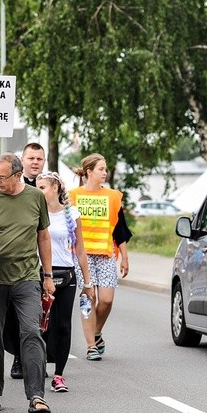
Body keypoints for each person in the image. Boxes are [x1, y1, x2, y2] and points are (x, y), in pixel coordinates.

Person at [0, 153, 55, 413]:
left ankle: (36, 396)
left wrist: (48, 276)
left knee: (31, 332)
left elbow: (43, 236)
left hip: (27, 276)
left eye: (1, 176)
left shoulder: (35, 197)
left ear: (18, 175)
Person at [69, 153, 133, 360]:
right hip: (81, 256)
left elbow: (120, 230)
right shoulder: (72, 196)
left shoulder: (113, 197)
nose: (105, 173)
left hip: (105, 255)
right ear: (89, 172)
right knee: (89, 297)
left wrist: (124, 257)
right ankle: (90, 346)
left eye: (105, 169)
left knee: (106, 300)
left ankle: (96, 333)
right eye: (101, 169)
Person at [35, 172, 95, 392]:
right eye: (37, 186)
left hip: (66, 274)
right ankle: (38, 366)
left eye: (42, 187)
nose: (38, 190)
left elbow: (80, 250)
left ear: (55, 189)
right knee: (41, 325)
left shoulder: (72, 213)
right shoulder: (35, 212)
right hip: (40, 274)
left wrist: (88, 283)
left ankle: (59, 375)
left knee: (62, 325)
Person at [9, 142, 46, 379]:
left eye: (39, 159)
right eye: (31, 158)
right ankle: (18, 357)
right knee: (16, 315)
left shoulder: (48, 188)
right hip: (15, 263)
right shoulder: (12, 187)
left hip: (38, 263)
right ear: (22, 161)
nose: (35, 162)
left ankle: (34, 359)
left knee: (36, 316)